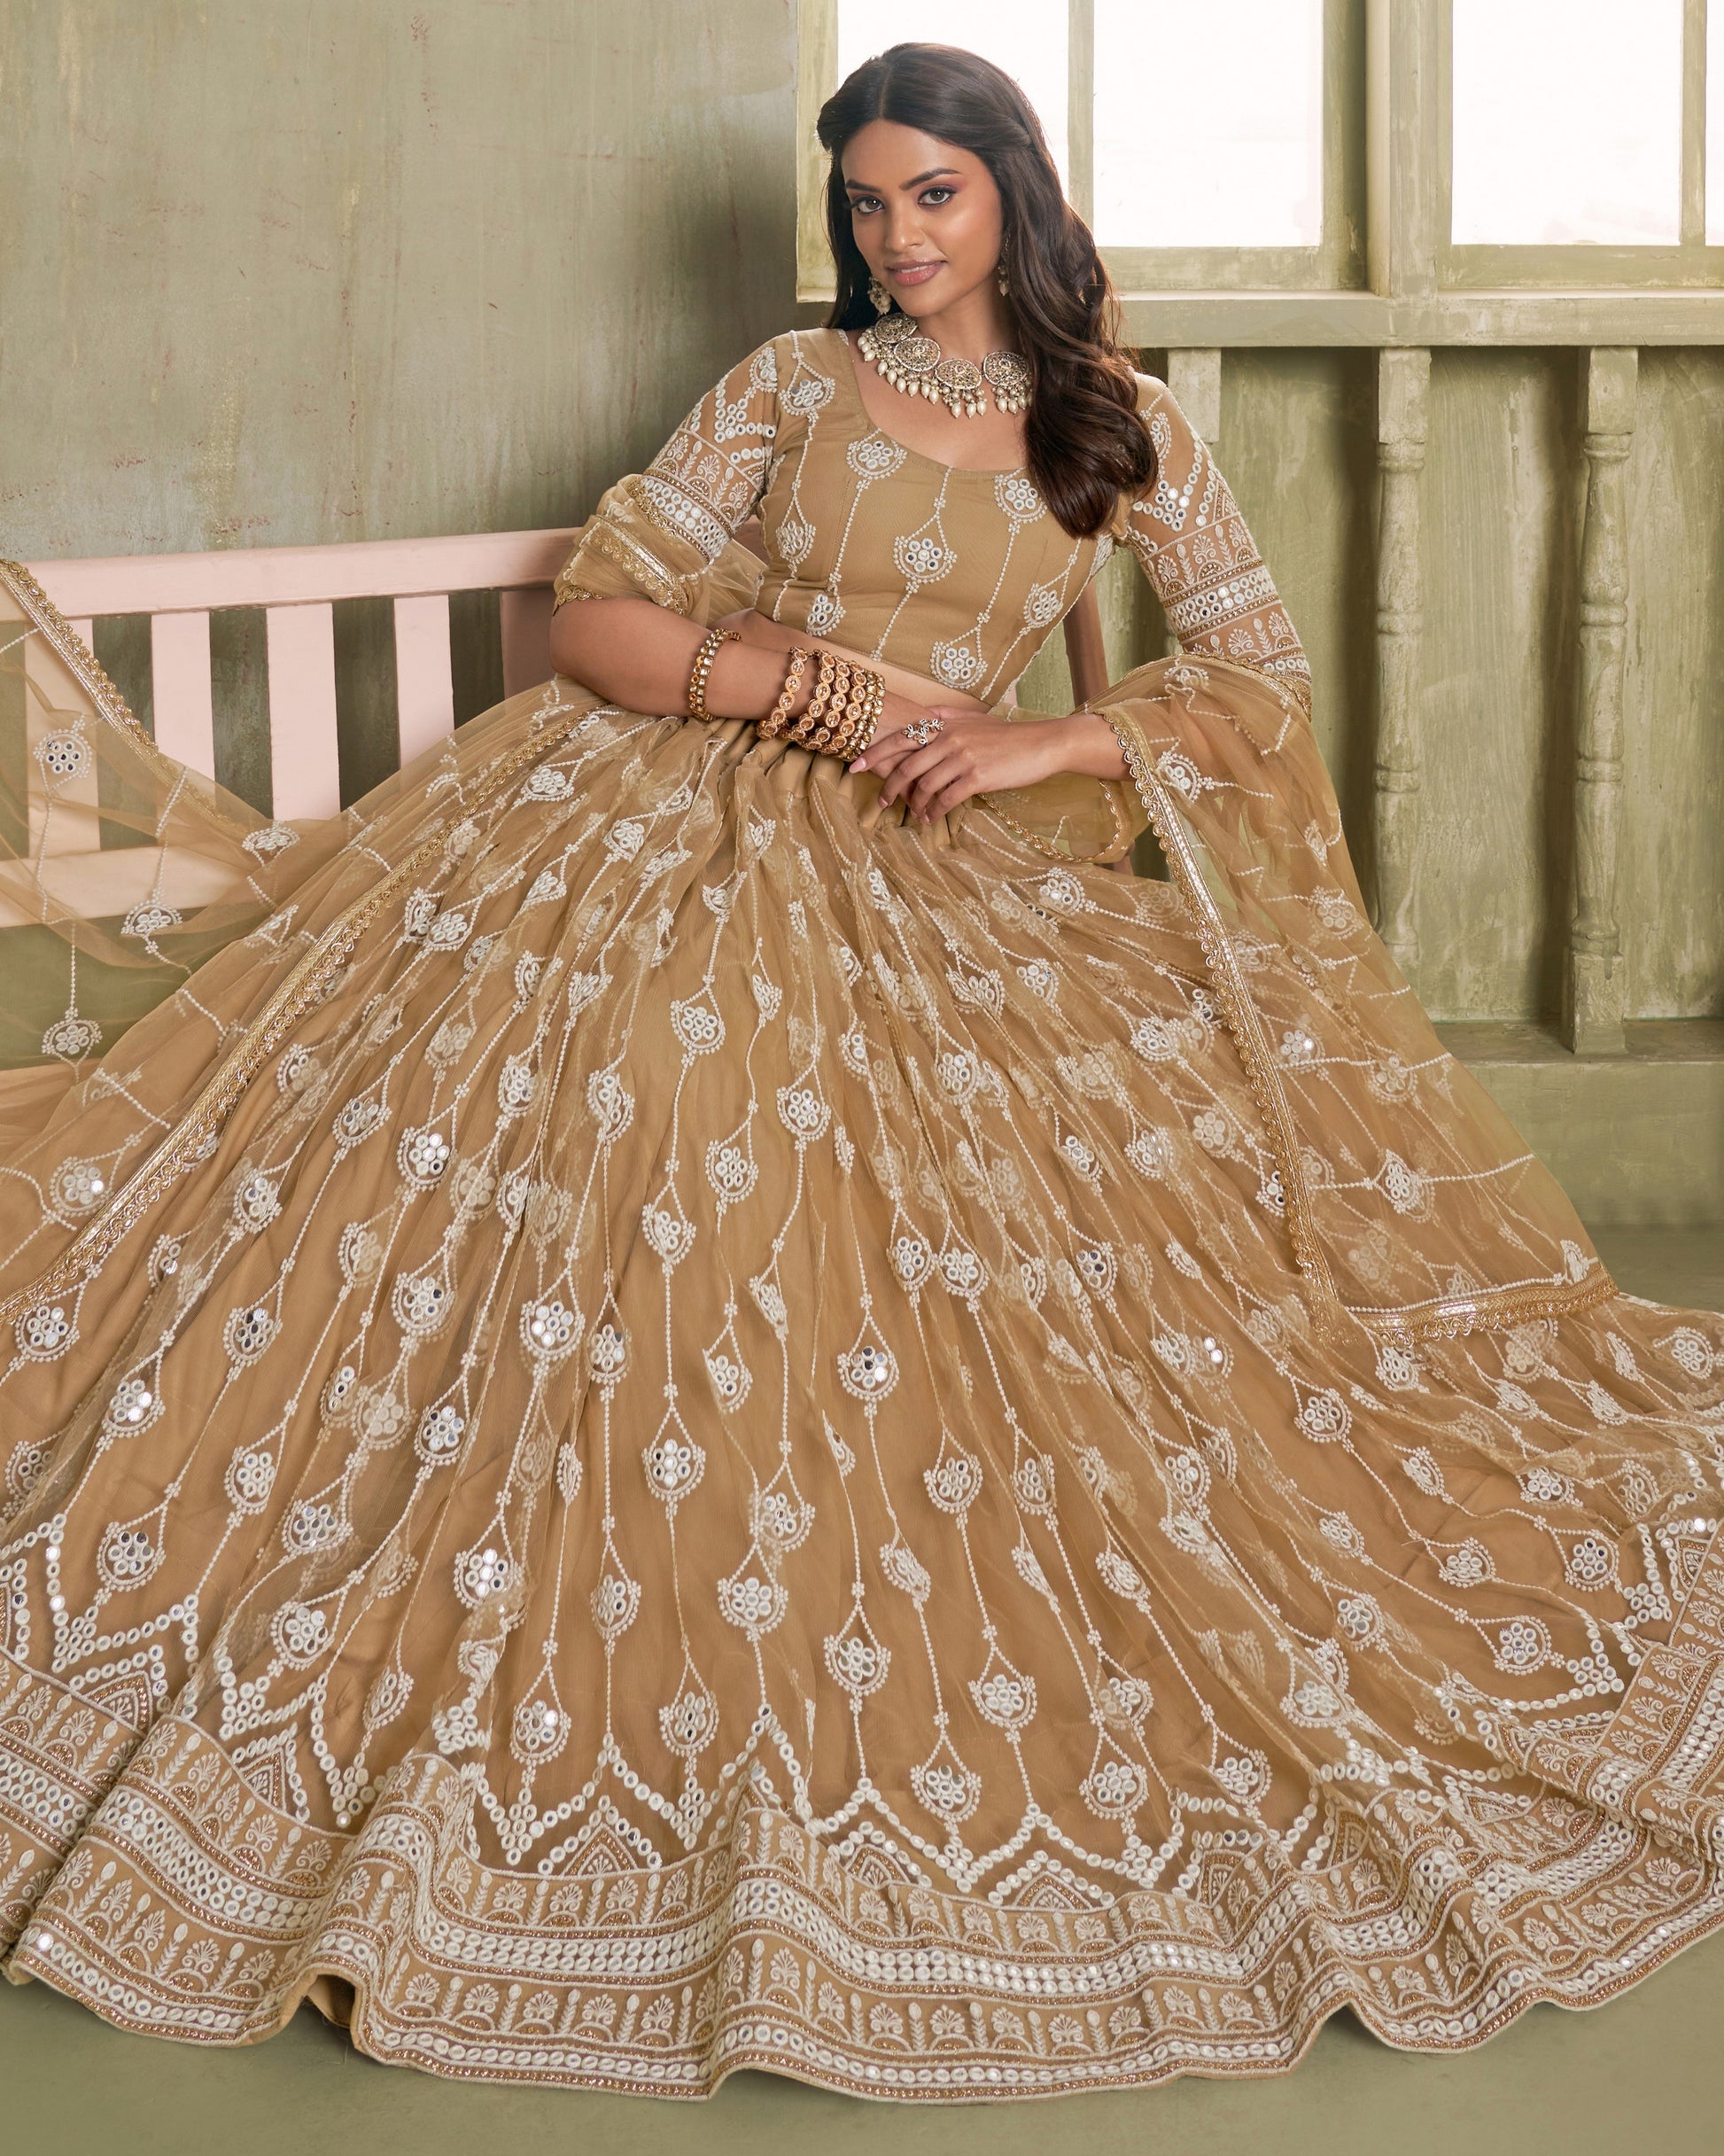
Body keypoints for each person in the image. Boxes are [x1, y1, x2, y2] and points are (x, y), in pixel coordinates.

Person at [0, 39, 1720, 2105]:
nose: (897, 237)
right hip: (642, 810)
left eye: (934, 194)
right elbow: (600, 621)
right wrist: (811, 688)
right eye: (868, 201)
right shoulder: (788, 386)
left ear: (1013, 189)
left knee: (1028, 1173)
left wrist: (1048, 737)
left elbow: (1254, 679)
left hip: (937, 861)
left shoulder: (1118, 424)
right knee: (648, 1071)